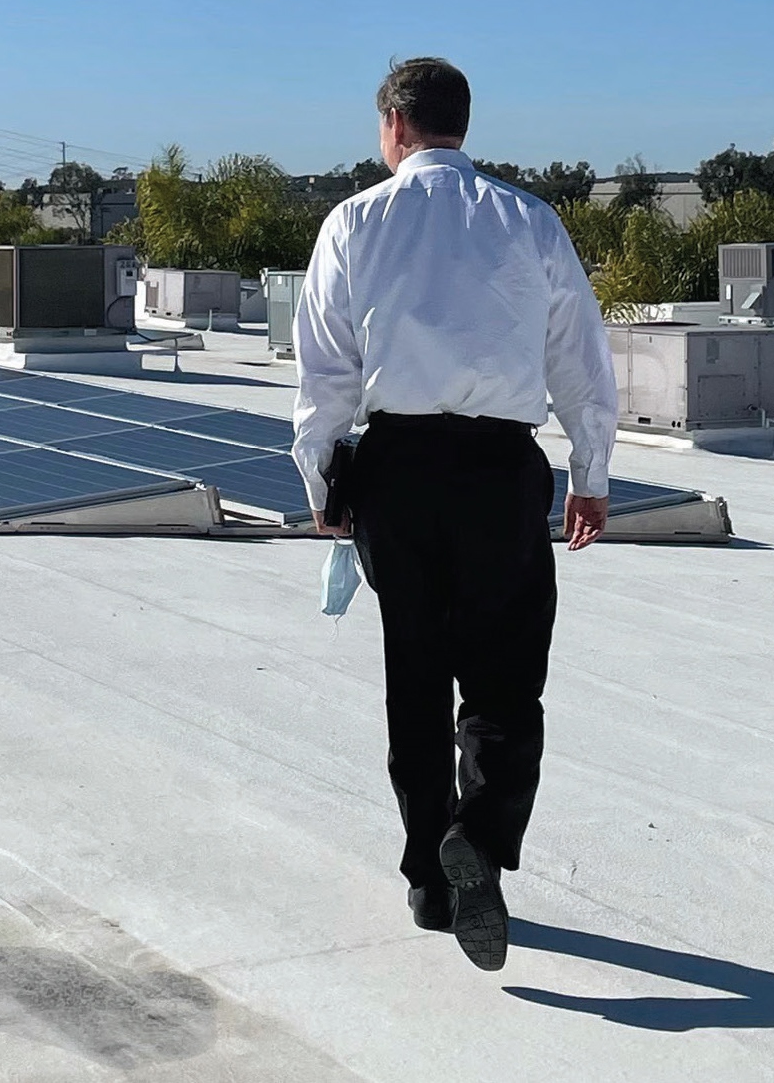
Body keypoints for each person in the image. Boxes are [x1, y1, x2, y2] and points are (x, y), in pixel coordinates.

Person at [292, 56, 617, 972]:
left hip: (397, 470)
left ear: (394, 125)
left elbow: (325, 373)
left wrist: (324, 487)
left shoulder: (356, 222)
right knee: (507, 680)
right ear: (461, 126)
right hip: (498, 469)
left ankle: (432, 879)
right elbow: (580, 359)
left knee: (417, 677)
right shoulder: (530, 221)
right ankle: (480, 832)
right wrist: (588, 474)